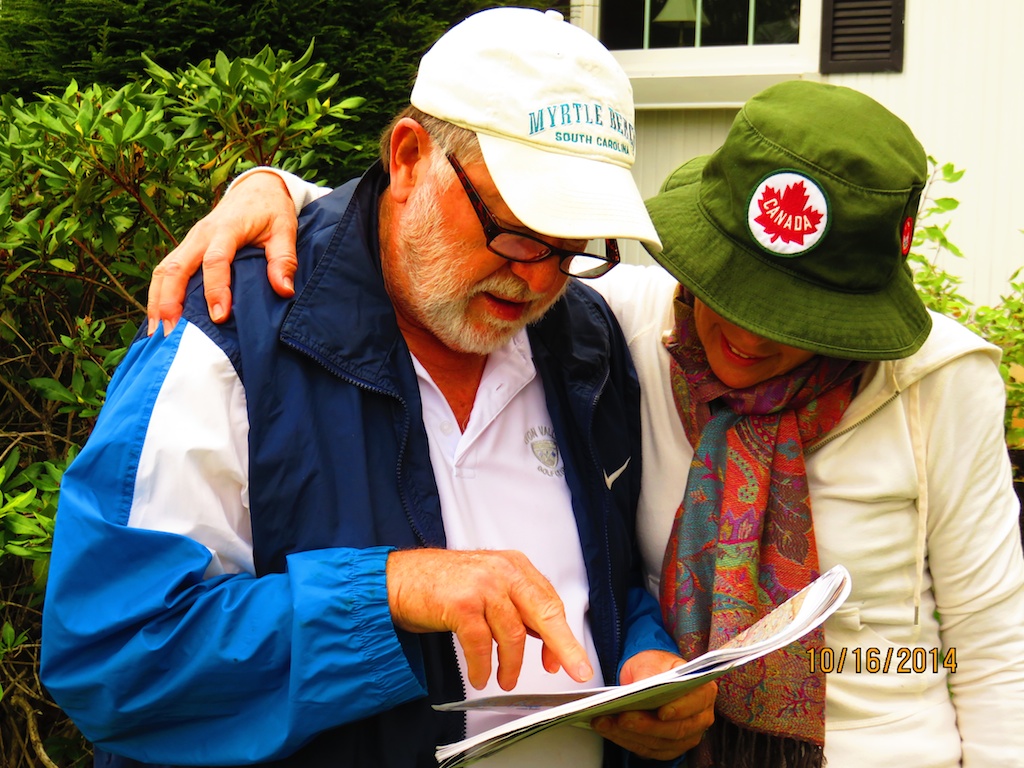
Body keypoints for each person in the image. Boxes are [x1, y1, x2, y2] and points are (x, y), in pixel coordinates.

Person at [150, 79, 1024, 768]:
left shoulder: (938, 385)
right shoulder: (631, 324)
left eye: (796, 318)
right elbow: (423, 220)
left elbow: (997, 649)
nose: (746, 336)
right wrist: (268, 190)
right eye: (728, 292)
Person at [40, 8, 718, 768]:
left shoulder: (585, 334)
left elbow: (603, 576)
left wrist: (644, 659)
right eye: (520, 228)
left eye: (573, 246)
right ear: (407, 158)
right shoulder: (232, 332)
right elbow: (113, 657)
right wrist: (389, 590)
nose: (538, 276)